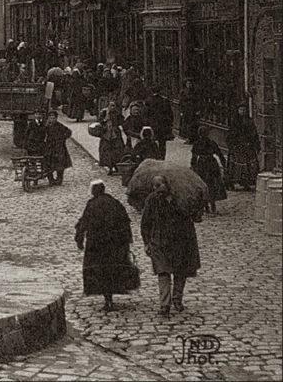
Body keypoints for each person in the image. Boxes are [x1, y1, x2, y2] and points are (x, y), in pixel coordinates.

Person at [140, 175, 200, 316]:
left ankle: (177, 299)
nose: (156, 189)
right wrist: (146, 242)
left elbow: (193, 216)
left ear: (167, 185)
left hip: (180, 241)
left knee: (180, 271)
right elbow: (145, 223)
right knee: (163, 271)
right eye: (154, 186)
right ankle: (164, 304)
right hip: (160, 241)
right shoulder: (151, 200)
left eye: (159, 185)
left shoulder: (181, 198)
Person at [75, 180, 135, 311]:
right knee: (112, 269)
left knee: (100, 271)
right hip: (115, 245)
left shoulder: (92, 204)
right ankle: (110, 297)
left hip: (97, 245)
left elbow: (83, 222)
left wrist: (79, 239)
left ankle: (107, 299)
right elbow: (125, 222)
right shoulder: (115, 203)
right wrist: (127, 241)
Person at [191, 126, 227, 214]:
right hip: (211, 164)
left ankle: (206, 205)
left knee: (203, 184)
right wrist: (224, 164)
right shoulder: (212, 143)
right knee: (211, 184)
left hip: (202, 165)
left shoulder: (197, 144)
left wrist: (193, 167)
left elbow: (194, 158)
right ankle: (212, 204)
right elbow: (220, 155)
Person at [226, 104, 260, 190]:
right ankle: (232, 182)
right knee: (235, 164)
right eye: (241, 110)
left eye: (244, 110)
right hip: (237, 146)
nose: (242, 111)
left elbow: (254, 133)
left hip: (248, 145)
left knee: (248, 164)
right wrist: (232, 144)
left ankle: (246, 182)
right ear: (238, 111)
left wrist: (255, 144)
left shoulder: (249, 121)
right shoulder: (235, 122)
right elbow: (231, 134)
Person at [42, 110, 73, 185]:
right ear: (48, 118)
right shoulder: (46, 126)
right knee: (48, 162)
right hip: (49, 146)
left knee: (60, 163)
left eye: (53, 117)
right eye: (50, 117)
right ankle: (51, 179)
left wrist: (63, 138)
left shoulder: (59, 126)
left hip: (59, 147)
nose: (52, 119)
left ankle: (59, 179)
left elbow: (69, 132)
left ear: (56, 118)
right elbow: (42, 135)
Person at [147, 88, 174, 159]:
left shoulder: (148, 101)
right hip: (162, 125)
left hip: (152, 124)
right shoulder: (164, 100)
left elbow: (146, 114)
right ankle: (162, 157)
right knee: (162, 142)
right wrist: (170, 124)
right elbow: (170, 114)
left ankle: (154, 156)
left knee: (152, 141)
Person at [98, 107, 126, 175]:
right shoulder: (104, 113)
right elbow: (100, 122)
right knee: (107, 151)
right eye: (111, 105)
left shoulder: (117, 113)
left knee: (117, 151)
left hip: (115, 134)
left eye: (114, 105)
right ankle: (110, 167)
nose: (113, 107)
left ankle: (117, 166)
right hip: (106, 135)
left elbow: (122, 121)